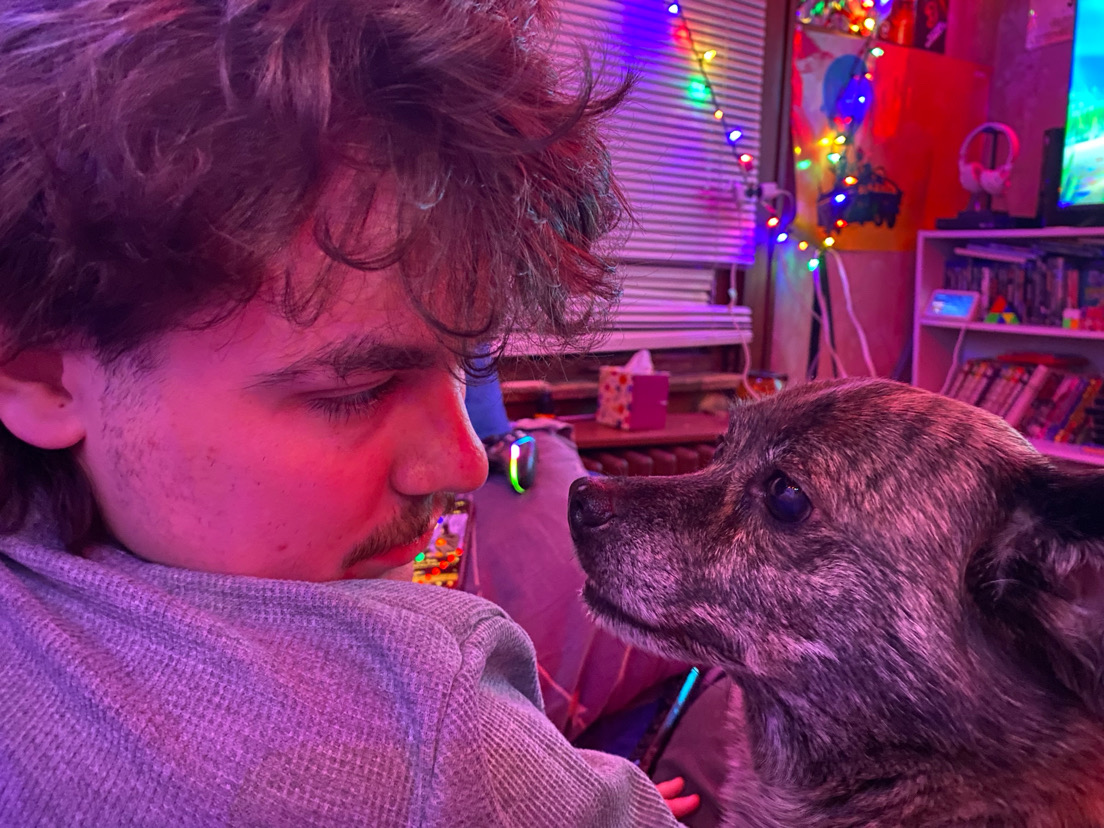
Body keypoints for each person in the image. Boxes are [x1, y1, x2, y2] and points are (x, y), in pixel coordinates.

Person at [0, 0, 699, 824]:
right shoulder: (432, 732)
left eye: (467, 359)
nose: (462, 463)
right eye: (355, 391)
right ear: (41, 374)